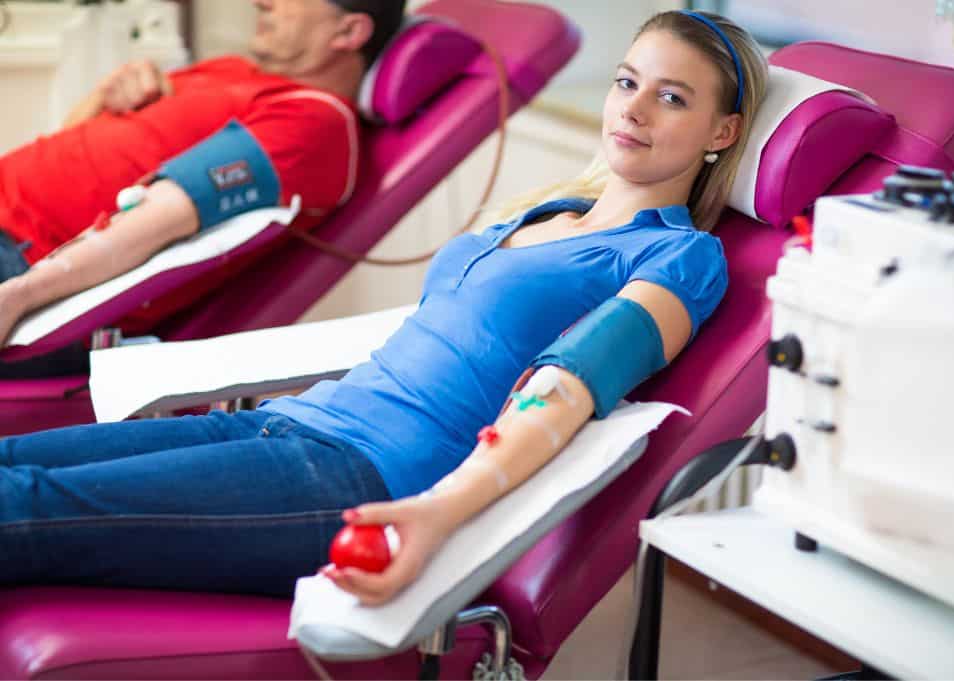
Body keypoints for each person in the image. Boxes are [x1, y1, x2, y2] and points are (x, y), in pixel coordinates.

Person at [0, 11, 768, 604]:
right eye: (627, 82)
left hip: (363, 474)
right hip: (299, 421)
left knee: (26, 506)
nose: (635, 109)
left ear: (722, 131)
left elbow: (566, 386)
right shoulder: (545, 212)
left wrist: (438, 512)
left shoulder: (678, 256)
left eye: (672, 98)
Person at [0, 0, 406, 377]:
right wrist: (102, 97)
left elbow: (158, 219)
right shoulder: (233, 71)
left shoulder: (315, 121)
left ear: (348, 32)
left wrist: (19, 294)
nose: (262, 2)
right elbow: (68, 146)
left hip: (24, 262)